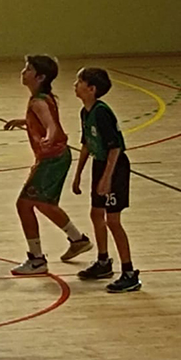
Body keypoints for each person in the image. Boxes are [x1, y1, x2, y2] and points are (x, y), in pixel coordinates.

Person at [3, 55, 91, 275]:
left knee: (24, 204)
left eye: (28, 69)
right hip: (57, 157)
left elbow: (51, 125)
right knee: (44, 204)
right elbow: (45, 120)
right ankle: (78, 239)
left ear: (40, 77)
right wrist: (24, 122)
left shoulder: (38, 102)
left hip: (52, 159)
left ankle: (37, 260)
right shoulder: (43, 98)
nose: (23, 72)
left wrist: (49, 137)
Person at [72, 67, 141, 293]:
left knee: (112, 220)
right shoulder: (85, 112)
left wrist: (107, 179)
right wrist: (78, 174)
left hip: (115, 167)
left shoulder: (101, 112)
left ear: (91, 89)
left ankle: (129, 273)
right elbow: (86, 144)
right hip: (100, 164)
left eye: (79, 81)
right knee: (95, 214)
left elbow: (115, 148)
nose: (75, 84)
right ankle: (103, 261)